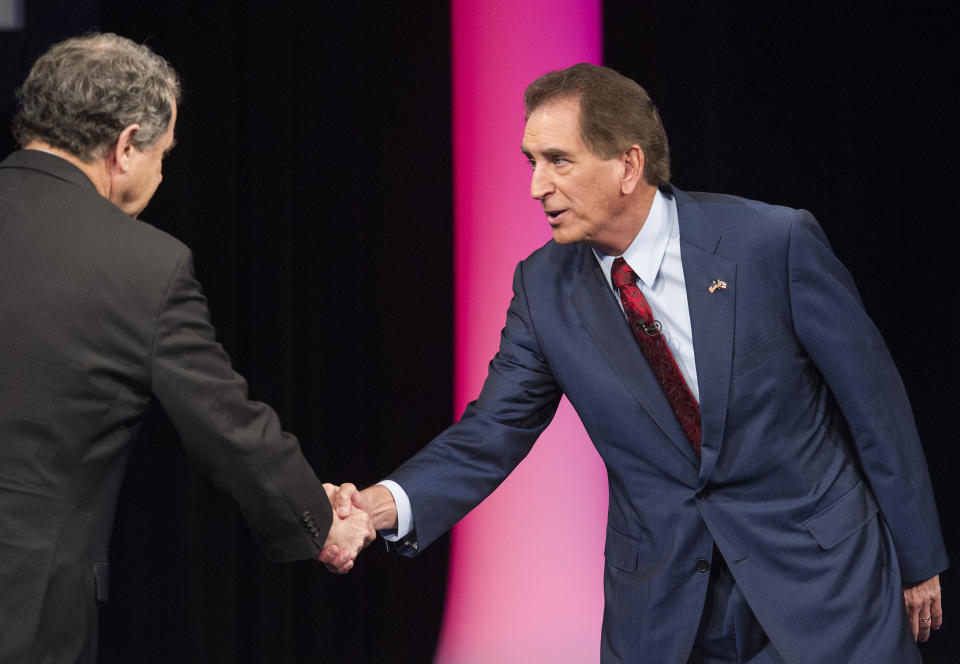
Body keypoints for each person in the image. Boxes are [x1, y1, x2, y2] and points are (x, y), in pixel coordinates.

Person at [324, 64, 948, 663]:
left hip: (824, 583)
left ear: (628, 164)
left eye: (558, 161)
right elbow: (491, 431)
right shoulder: (543, 289)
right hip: (667, 608)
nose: (538, 186)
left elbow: (875, 406)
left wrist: (919, 560)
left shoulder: (770, 243)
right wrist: (376, 510)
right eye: (531, 162)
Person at [0, 32, 374, 664]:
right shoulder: (140, 265)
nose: (162, 174)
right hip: (23, 612)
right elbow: (227, 426)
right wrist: (322, 519)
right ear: (125, 146)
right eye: (163, 153)